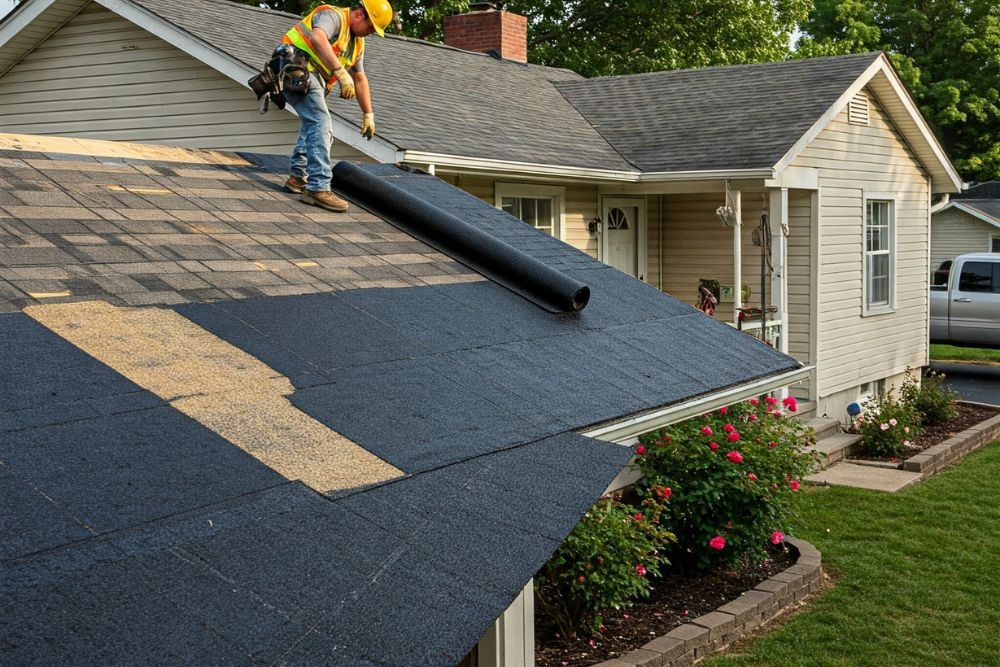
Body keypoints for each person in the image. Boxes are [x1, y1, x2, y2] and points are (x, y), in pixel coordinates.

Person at [279, 1, 393, 212]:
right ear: (360, 14)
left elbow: (359, 78)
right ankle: (318, 188)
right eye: (370, 28)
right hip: (294, 68)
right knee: (321, 124)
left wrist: (368, 113)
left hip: (312, 78)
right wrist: (340, 72)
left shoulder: (357, 44)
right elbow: (318, 38)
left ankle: (298, 177)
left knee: (313, 124)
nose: (370, 33)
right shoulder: (333, 16)